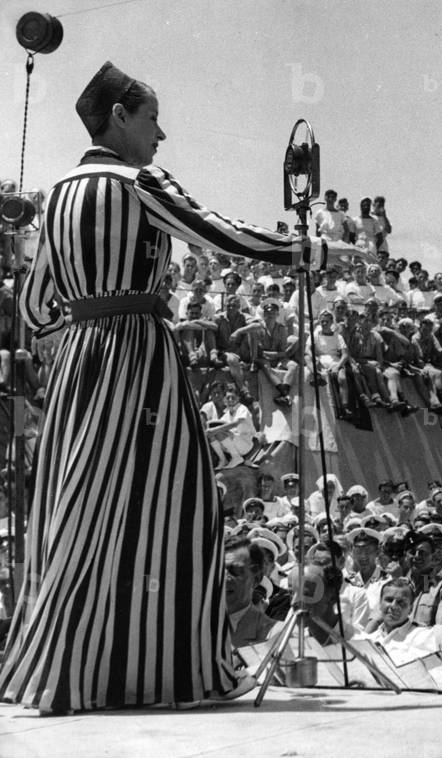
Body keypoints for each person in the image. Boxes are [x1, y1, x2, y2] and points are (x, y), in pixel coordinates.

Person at [0, 61, 365, 714]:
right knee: (179, 506)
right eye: (152, 118)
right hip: (138, 355)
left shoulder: (57, 197)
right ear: (119, 117)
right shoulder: (139, 180)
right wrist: (308, 253)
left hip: (79, 364)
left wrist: (88, 315)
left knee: (81, 509)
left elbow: (34, 310)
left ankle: (74, 672)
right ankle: (169, 672)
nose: (160, 134)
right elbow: (215, 231)